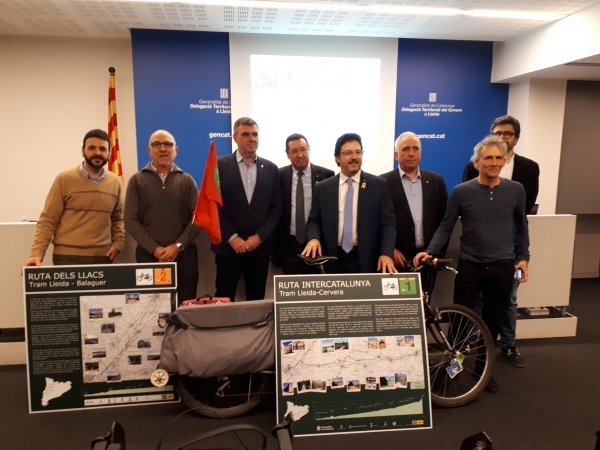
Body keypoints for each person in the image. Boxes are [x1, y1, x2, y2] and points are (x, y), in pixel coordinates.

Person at [414, 135, 530, 393]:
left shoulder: (516, 190)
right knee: (459, 325)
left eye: (498, 157)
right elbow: (446, 226)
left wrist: (524, 259)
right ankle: (451, 370)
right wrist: (431, 251)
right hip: (470, 267)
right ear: (477, 162)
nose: (494, 162)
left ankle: (482, 373)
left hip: (503, 268)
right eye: (488, 158)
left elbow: (521, 227)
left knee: (492, 323)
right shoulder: (461, 192)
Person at [462, 115, 539, 368]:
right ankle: (475, 347)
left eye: (508, 134)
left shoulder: (528, 170)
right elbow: (469, 204)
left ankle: (508, 345)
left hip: (508, 256)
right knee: (480, 304)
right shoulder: (470, 170)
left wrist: (522, 256)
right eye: (498, 133)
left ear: (516, 138)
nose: (503, 138)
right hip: (475, 258)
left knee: (509, 302)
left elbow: (521, 217)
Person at [22, 129, 124, 268]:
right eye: (91, 148)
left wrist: (118, 243)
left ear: (109, 153)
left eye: (102, 149)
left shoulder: (115, 182)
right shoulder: (64, 180)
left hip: (103, 257)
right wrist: (37, 253)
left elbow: (118, 218)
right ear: (83, 151)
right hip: (67, 258)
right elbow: (48, 219)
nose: (97, 153)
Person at [302, 133, 397, 274]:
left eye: (358, 152)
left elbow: (388, 224)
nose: (354, 157)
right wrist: (314, 238)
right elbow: (314, 220)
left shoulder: (378, 185)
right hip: (332, 259)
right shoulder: (323, 188)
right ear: (337, 158)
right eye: (348, 153)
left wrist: (386, 253)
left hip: (368, 259)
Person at [211, 117, 282, 301]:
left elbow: (276, 208)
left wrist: (259, 237)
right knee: (224, 297)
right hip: (228, 248)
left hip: (259, 248)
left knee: (256, 299)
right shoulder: (218, 166)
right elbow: (213, 206)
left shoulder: (272, 169)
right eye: (246, 134)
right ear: (235, 137)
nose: (252, 138)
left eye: (255, 134)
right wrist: (232, 238)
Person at [124, 129, 199, 303]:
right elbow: (130, 219)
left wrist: (177, 246)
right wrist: (155, 249)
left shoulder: (187, 181)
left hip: (184, 256)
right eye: (156, 144)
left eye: (168, 144)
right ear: (149, 150)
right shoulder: (136, 180)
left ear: (176, 150)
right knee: (151, 309)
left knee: (185, 306)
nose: (163, 148)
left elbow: (197, 219)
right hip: (148, 256)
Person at [380, 132, 448, 270]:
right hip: (397, 259)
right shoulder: (382, 183)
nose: (411, 153)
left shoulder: (436, 181)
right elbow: (376, 222)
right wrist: (389, 249)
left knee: (427, 293)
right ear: (396, 154)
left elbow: (444, 221)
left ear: (420, 152)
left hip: (427, 258)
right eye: (405, 149)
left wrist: (432, 252)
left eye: (415, 148)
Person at [272, 133, 334, 274]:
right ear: (287, 154)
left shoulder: (327, 175)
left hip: (318, 244)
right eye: (294, 151)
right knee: (293, 292)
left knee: (319, 291)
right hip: (290, 246)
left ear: (309, 150)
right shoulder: (279, 176)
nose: (300, 155)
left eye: (303, 149)